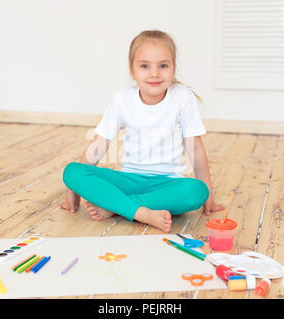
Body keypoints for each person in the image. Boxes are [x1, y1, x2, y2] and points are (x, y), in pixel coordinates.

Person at [61, 30, 224, 233]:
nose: (154, 73)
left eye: (163, 66)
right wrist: (73, 187)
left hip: (167, 184)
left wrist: (209, 195)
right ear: (132, 70)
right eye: (145, 66)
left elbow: (195, 149)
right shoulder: (122, 99)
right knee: (72, 171)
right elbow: (99, 144)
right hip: (128, 180)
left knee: (197, 191)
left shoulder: (182, 97)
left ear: (173, 68)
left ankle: (116, 207)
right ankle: (142, 212)